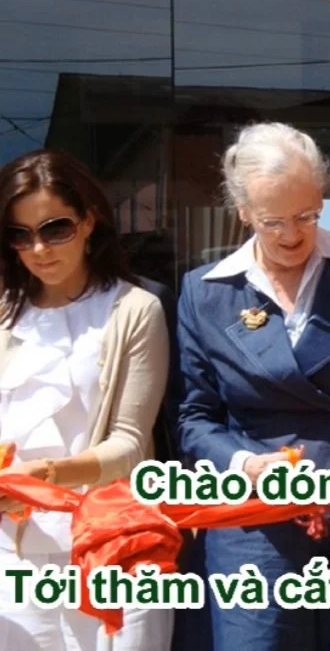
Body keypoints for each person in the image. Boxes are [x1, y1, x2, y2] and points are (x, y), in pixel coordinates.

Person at [173, 123, 330, 651]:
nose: (292, 235)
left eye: (308, 216)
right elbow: (194, 418)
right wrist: (245, 465)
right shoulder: (205, 293)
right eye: (273, 221)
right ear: (242, 211)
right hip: (252, 524)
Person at [0, 150, 172, 650]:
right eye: (20, 234)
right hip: (13, 553)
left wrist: (46, 478)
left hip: (110, 544)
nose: (38, 249)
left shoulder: (133, 310)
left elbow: (130, 445)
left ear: (89, 221)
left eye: (55, 229)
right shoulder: (5, 312)